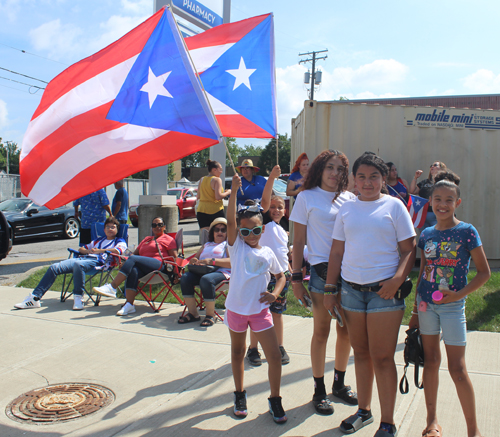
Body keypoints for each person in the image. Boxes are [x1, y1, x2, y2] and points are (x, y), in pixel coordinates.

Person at [325, 153, 416, 436]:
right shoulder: (347, 209)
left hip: (384, 294)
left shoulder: (394, 206)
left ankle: (387, 423)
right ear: (354, 179)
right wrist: (330, 289)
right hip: (351, 292)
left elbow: (409, 249)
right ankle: (364, 411)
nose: (367, 182)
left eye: (373, 176)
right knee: (361, 354)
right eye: (361, 177)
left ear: (382, 178)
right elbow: (337, 252)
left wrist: (397, 279)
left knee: (383, 357)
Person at [410, 180, 490, 437]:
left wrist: (458, 295)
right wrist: (414, 312)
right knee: (430, 362)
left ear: (457, 202)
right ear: (431, 202)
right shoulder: (427, 234)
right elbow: (423, 271)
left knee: (458, 368)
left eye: (448, 200)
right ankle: (432, 422)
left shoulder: (467, 231)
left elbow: (484, 273)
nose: (442, 204)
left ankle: (473, 430)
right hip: (426, 306)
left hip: (453, 308)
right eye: (437, 199)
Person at [290, 150, 358, 416]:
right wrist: (296, 279)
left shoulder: (351, 199)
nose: (334, 173)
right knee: (322, 332)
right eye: (330, 167)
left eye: (340, 169)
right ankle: (319, 390)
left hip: (351, 273)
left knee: (347, 332)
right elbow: (297, 241)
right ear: (320, 169)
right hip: (320, 272)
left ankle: (339, 384)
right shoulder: (306, 197)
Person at [225, 173, 287, 423]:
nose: (251, 234)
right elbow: (230, 220)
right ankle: (239, 394)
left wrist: (275, 293)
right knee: (238, 352)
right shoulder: (236, 245)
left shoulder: (268, 251)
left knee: (274, 357)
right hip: (237, 311)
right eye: (246, 230)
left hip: (261, 312)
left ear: (263, 227)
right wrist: (233, 191)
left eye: (257, 229)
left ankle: (275, 399)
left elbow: (281, 276)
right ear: (239, 231)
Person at [15, 217, 127, 311]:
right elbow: (82, 248)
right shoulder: (98, 241)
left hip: (99, 263)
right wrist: (88, 251)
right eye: (108, 227)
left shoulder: (120, 241)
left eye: (113, 227)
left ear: (117, 229)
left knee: (78, 265)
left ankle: (78, 298)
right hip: (84, 258)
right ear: (104, 229)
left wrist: (99, 251)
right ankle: (34, 298)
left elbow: (118, 251)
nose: (110, 229)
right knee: (54, 267)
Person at [247, 165, 291, 366]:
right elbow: (265, 201)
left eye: (279, 207)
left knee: (277, 314)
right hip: (263, 276)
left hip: (282, 277)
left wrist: (291, 268)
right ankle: (253, 348)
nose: (275, 210)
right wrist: (272, 178)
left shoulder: (284, 230)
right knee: (259, 314)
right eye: (272, 207)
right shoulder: (264, 223)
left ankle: (279, 346)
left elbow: (284, 252)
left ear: (285, 211)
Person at [93, 217, 177, 316]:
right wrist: (124, 263)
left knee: (133, 259)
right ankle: (129, 305)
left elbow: (174, 257)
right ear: (152, 227)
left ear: (164, 227)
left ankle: (113, 286)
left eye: (160, 224)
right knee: (133, 270)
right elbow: (133, 254)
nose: (157, 227)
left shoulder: (168, 239)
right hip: (145, 269)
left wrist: (176, 273)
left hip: (160, 266)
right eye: (154, 225)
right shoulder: (147, 239)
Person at [178, 217, 231, 327]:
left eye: (223, 230)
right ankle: (193, 313)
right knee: (185, 278)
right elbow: (194, 258)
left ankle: (211, 315)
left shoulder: (227, 245)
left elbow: (232, 262)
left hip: (222, 272)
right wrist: (194, 261)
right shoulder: (206, 245)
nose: (220, 232)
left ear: (227, 232)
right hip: (202, 272)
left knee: (206, 280)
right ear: (213, 232)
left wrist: (211, 261)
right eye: (217, 229)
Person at [410, 161, 447, 229]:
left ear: (441, 169)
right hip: (422, 214)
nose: (432, 167)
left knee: (437, 234)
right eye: (431, 166)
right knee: (425, 236)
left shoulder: (444, 182)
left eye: (435, 165)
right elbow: (412, 191)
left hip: (436, 214)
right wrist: (415, 177)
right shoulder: (425, 181)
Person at [196, 159, 231, 231]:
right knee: (219, 234)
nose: (221, 171)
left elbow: (198, 196)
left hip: (201, 210)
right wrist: (228, 192)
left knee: (205, 235)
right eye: (220, 169)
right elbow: (218, 197)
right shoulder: (217, 180)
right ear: (214, 170)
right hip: (215, 210)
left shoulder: (202, 179)